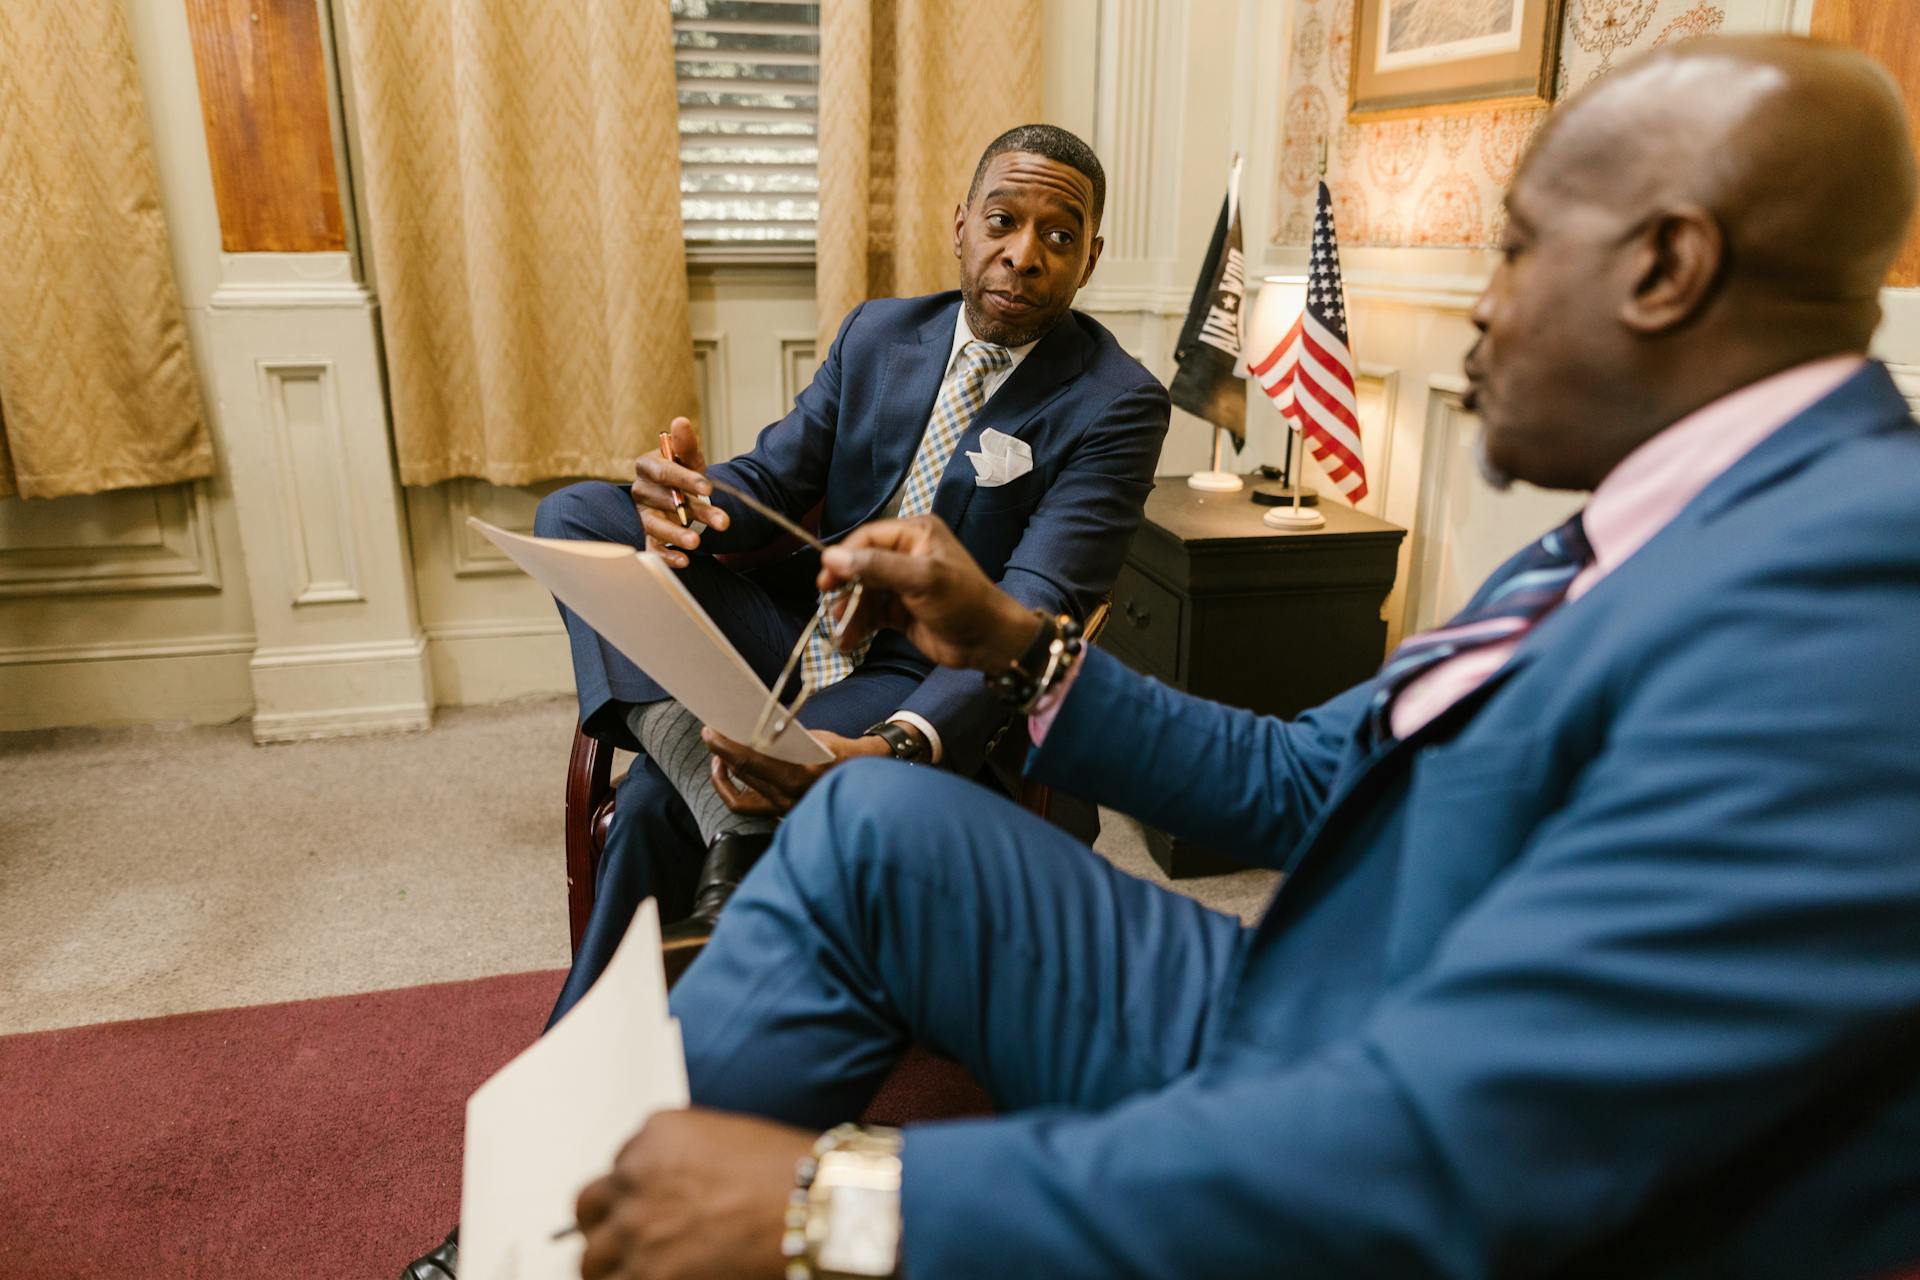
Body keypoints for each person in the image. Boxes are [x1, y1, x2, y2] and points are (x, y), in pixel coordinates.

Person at [570, 37, 1920, 1280]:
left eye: (1513, 249)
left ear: (1664, 268)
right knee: (872, 821)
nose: (1479, 314)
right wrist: (1018, 648)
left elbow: (1474, 1155)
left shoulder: (1851, 612)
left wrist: (834, 1207)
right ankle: (583, 1219)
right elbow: (1302, 774)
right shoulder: (1628, 534)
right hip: (1304, 1004)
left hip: (1375, 1123)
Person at [397, 124, 1167, 1280]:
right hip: (799, 632)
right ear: (961, 225)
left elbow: (1037, 613)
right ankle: (734, 799)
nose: (1024, 253)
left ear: (1090, 258)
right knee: (581, 515)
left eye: (1059, 236)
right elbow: (774, 481)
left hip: (919, 680)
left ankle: (532, 1214)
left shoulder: (1115, 400)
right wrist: (695, 504)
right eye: (1004, 221)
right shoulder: (881, 332)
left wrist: (892, 744)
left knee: (656, 813)